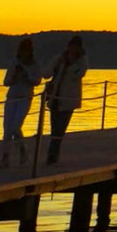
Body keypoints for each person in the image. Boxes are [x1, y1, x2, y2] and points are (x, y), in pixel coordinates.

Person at [42, 35, 88, 165]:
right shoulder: (60, 58)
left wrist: (73, 63)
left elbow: (79, 74)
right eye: (71, 46)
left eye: (76, 46)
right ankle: (52, 154)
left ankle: (52, 154)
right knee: (54, 127)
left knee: (60, 128)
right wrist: (56, 63)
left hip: (69, 99)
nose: (73, 49)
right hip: (55, 97)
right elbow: (46, 73)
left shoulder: (82, 61)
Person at [0, 38, 41, 169]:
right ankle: (5, 158)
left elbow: (37, 80)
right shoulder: (14, 63)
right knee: (7, 129)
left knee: (16, 126)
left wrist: (27, 76)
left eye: (26, 51)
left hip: (25, 98)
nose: (24, 53)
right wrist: (14, 76)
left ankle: (23, 149)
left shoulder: (34, 64)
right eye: (22, 50)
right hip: (12, 97)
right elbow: (6, 82)